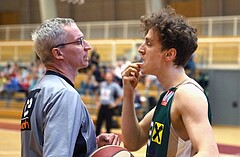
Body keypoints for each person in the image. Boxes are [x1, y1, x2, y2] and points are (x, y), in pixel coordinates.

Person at [121, 6, 219, 157]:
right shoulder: (169, 95)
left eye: (148, 43)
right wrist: (128, 93)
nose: (140, 49)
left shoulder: (188, 94)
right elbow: (133, 141)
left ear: (169, 54)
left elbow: (209, 153)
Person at [20, 18, 120, 157]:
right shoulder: (64, 93)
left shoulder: (39, 90)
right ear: (58, 53)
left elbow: (41, 145)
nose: (88, 46)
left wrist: (89, 144)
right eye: (79, 41)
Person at [95, 71, 123, 136]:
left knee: (108, 124)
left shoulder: (115, 86)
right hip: (102, 106)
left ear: (112, 78)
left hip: (109, 107)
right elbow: (97, 93)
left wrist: (115, 104)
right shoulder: (102, 84)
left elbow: (121, 96)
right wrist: (97, 102)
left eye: (109, 77)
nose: (107, 78)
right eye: (106, 76)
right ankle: (96, 138)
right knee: (99, 123)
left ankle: (108, 140)